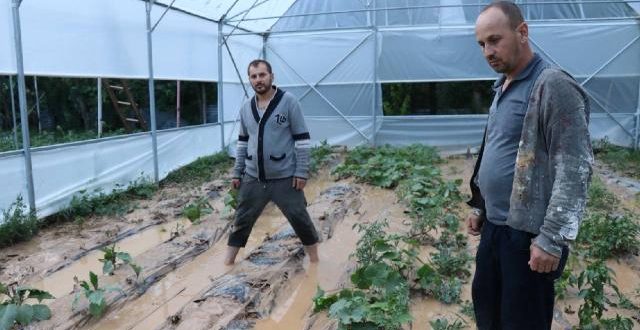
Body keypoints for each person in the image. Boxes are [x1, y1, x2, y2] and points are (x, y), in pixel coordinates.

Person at [467, 2, 593, 329]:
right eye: (481, 44)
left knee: (523, 321)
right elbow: (499, 150)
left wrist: (551, 239)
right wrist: (481, 205)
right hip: (496, 230)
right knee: (488, 313)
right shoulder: (503, 86)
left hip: (528, 237)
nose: (487, 51)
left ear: (522, 32)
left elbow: (575, 169)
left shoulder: (552, 85)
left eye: (495, 40)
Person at [224, 59, 320, 266]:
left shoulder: (288, 102)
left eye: (262, 75)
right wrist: (236, 172)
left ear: (271, 76)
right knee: (241, 220)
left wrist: (301, 172)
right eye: (253, 76)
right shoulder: (246, 109)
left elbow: (302, 140)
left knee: (300, 218)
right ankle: (227, 264)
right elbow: (242, 143)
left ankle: (315, 261)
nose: (258, 80)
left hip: (284, 177)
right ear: (249, 79)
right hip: (253, 177)